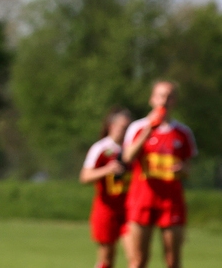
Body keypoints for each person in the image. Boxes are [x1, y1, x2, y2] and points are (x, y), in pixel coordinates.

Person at [122, 81, 196, 268]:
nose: (165, 100)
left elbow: (189, 169)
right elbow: (128, 157)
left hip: (171, 201)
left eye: (169, 96)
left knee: (173, 261)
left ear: (174, 101)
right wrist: (148, 131)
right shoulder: (138, 128)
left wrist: (182, 170)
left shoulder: (183, 133)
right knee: (138, 260)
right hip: (142, 199)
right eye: (161, 95)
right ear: (152, 99)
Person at [80, 107, 132, 268]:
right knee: (106, 259)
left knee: (135, 257)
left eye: (128, 128)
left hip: (129, 211)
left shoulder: (132, 150)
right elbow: (85, 177)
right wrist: (107, 170)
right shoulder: (101, 148)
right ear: (112, 126)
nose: (125, 132)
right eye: (122, 128)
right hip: (106, 209)